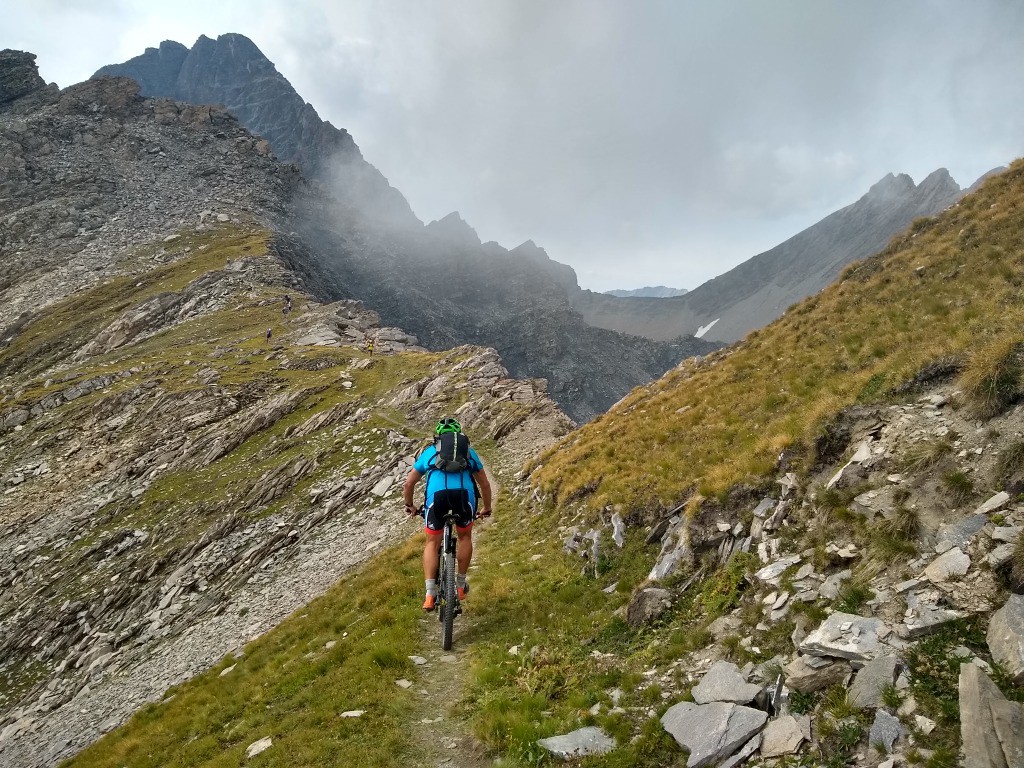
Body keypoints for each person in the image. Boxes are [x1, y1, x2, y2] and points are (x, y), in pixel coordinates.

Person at [403, 418, 492, 611]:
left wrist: (410, 505)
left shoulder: (429, 452)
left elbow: (409, 484)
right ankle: (460, 586)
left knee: (432, 543)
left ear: (438, 436)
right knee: (465, 536)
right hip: (463, 497)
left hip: (437, 499)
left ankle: (429, 594)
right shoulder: (469, 452)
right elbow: (484, 484)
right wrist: (486, 507)